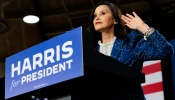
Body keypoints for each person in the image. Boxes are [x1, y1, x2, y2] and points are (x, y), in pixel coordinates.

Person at [87, 1, 174, 100]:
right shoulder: (91, 52)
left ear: (115, 20)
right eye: (94, 16)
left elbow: (165, 51)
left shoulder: (131, 42)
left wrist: (142, 27)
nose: (97, 18)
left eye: (102, 13)